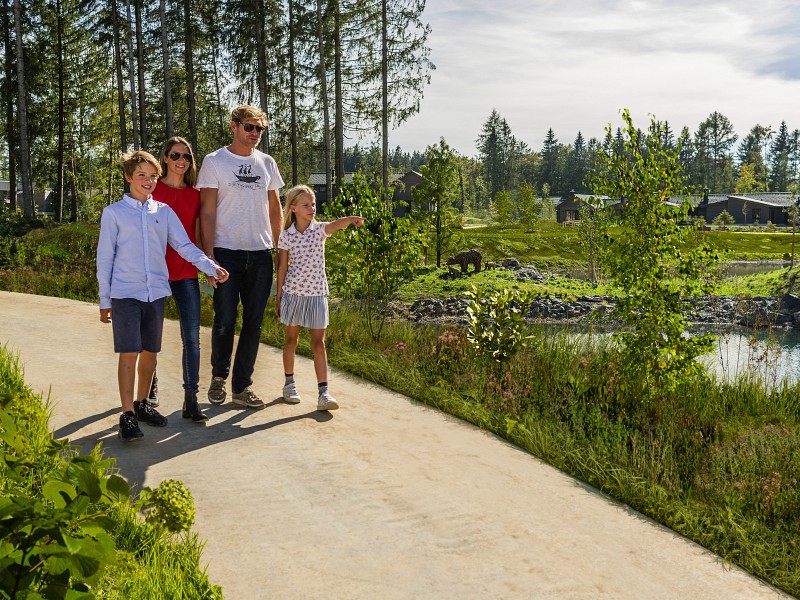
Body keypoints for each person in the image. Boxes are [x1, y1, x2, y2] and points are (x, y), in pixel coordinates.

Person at [97, 150, 228, 442]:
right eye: (141, 175)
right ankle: (127, 414)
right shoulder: (114, 213)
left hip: (155, 292)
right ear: (129, 177)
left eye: (152, 176)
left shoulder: (164, 212)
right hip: (125, 293)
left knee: (150, 354)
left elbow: (184, 245)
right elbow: (105, 259)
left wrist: (210, 265)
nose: (148, 180)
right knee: (129, 353)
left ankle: (143, 404)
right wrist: (105, 300)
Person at [198, 105, 284, 410]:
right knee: (224, 320)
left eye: (259, 129)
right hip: (226, 254)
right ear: (233, 126)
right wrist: (207, 257)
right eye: (249, 127)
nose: (254, 134)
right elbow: (206, 212)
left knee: (253, 323)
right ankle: (219, 378)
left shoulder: (267, 163)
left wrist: (280, 249)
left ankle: (242, 386)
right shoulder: (214, 162)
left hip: (260, 254)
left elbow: (275, 209)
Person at [274, 185, 364, 411]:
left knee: (318, 344)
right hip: (293, 294)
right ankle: (289, 384)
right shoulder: (286, 236)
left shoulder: (320, 230)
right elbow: (282, 267)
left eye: (313, 204)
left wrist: (352, 218)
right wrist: (279, 296)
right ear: (293, 208)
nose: (311, 208)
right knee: (291, 341)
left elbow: (337, 224)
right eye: (306, 205)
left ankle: (324, 393)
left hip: (316, 295)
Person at [150, 136, 207, 423]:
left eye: (186, 156)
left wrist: (208, 265)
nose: (181, 161)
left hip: (185, 272)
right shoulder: (151, 189)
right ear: (164, 158)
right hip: (155, 273)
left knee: (191, 338)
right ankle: (149, 390)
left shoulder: (195, 195)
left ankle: (191, 399)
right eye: (175, 155)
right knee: (151, 335)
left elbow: (197, 233)